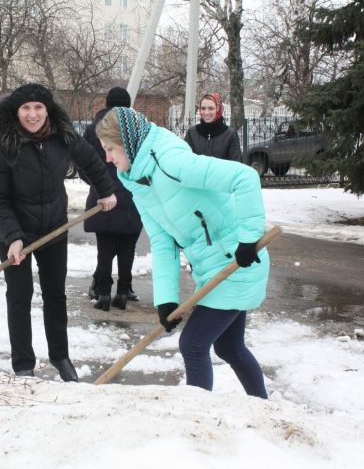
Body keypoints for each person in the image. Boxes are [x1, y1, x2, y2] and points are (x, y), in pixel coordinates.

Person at [96, 107, 269, 399]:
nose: (108, 158)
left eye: (111, 149)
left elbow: (245, 177)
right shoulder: (138, 182)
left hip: (237, 262)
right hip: (210, 269)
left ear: (127, 142)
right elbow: (162, 241)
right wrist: (166, 300)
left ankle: (195, 420)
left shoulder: (171, 160)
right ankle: (265, 407)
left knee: (193, 344)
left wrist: (249, 238)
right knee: (229, 347)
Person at [0, 83, 117, 381]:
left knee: (55, 293)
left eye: (38, 108)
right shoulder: (2, 142)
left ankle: (60, 357)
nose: (32, 115)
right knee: (20, 294)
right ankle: (23, 363)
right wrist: (13, 237)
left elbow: (92, 162)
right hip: (12, 229)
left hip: (53, 224)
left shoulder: (62, 134)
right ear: (16, 111)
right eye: (26, 108)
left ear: (48, 110)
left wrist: (106, 190)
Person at [81, 87, 143, 311]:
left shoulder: (92, 130)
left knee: (105, 247)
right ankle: (124, 290)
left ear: (106, 104)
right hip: (130, 196)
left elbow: (83, 165)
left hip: (102, 197)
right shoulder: (135, 131)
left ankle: (104, 292)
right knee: (127, 246)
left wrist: (98, 186)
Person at [184, 93, 241, 162]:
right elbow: (185, 161)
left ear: (218, 109)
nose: (206, 112)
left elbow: (235, 165)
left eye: (211, 108)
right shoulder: (192, 133)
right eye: (203, 108)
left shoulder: (230, 135)